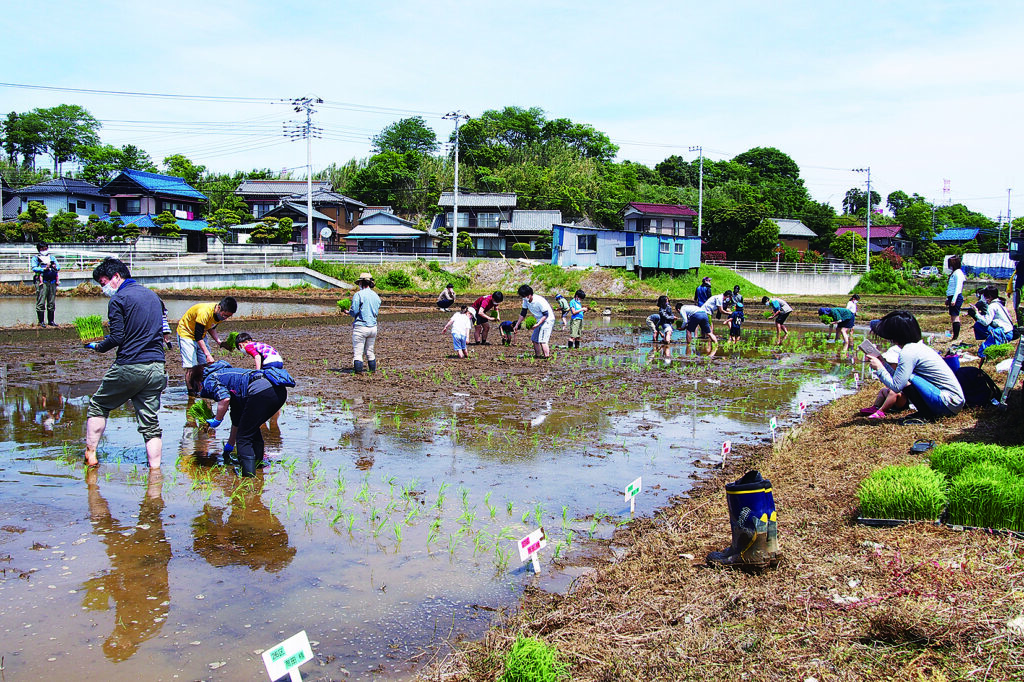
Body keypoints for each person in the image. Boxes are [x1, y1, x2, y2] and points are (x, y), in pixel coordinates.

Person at [83, 258, 168, 469]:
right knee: (150, 423)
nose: (103, 288)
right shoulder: (152, 295)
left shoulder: (118, 299)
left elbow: (118, 337)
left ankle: (90, 455)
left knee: (98, 405)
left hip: (130, 365)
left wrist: (99, 347)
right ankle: (155, 472)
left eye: (103, 282)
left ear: (116, 277)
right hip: (157, 366)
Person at [860, 310, 965, 421]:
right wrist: (883, 363)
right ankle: (925, 413)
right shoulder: (916, 347)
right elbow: (899, 378)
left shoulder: (908, 352)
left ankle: (926, 415)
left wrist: (880, 368)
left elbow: (897, 386)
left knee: (908, 379)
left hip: (947, 404)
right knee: (906, 377)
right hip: (951, 403)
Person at [195, 360, 288, 477]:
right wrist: (229, 446)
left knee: (243, 438)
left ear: (198, 381)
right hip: (279, 391)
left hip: (261, 391)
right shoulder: (229, 378)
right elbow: (237, 420)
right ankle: (258, 468)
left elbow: (224, 399)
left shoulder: (211, 378)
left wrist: (217, 420)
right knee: (251, 430)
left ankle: (248, 477)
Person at [176, 297, 237, 394]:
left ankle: (202, 387)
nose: (225, 318)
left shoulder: (219, 316)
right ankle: (191, 392)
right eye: (225, 315)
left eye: (228, 317)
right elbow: (197, 336)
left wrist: (219, 342)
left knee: (205, 365)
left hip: (201, 335)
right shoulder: (204, 312)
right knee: (192, 366)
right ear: (219, 308)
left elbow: (211, 328)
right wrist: (208, 354)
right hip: (186, 334)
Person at [348, 272, 381, 374]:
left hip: (361, 327)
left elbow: (354, 312)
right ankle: (372, 372)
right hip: (373, 327)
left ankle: (358, 374)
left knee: (358, 353)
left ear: (361, 283)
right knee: (370, 352)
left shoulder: (358, 295)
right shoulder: (376, 296)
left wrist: (348, 312)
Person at [967, 287, 1013, 356]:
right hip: (1009, 331)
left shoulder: (992, 306)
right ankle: (992, 339)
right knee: (979, 324)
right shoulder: (999, 303)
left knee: (982, 352)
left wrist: (976, 313)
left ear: (990, 297)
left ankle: (994, 340)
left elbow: (986, 322)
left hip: (1004, 333)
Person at [515, 285, 555, 359]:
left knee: (543, 340)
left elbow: (546, 314)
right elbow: (523, 313)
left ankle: (547, 357)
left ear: (530, 294)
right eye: (522, 296)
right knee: (534, 339)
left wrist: (537, 325)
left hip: (547, 319)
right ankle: (538, 356)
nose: (524, 298)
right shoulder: (525, 300)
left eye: (524, 296)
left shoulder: (539, 301)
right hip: (539, 320)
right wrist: (517, 324)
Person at [31, 242, 60, 327]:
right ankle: (41, 321)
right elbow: (34, 268)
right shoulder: (36, 258)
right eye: (42, 249)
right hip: (42, 281)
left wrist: (54, 267)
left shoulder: (52, 257)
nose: (44, 250)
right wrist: (44, 268)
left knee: (51, 301)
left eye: (45, 248)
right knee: (41, 301)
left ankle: (51, 321)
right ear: (39, 249)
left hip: (52, 281)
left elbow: (58, 267)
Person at [946, 255, 965, 341]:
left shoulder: (958, 273)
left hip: (955, 297)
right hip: (952, 296)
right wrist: (948, 299)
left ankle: (955, 336)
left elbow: (958, 287)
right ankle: (955, 335)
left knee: (955, 317)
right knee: (953, 317)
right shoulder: (954, 273)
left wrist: (954, 299)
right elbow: (951, 287)